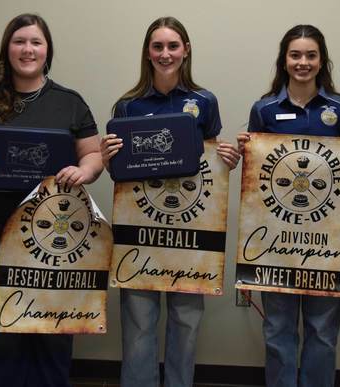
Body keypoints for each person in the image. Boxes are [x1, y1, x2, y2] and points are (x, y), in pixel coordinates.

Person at [0, 13, 102, 387]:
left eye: (35, 42)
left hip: (54, 230)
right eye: (19, 41)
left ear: (47, 50)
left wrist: (84, 172)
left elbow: (94, 157)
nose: (27, 49)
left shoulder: (70, 102)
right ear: (7, 49)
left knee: (52, 316)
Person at [100, 16, 240, 387]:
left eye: (173, 46)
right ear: (148, 53)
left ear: (186, 51)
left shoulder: (204, 101)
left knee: (186, 323)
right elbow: (118, 174)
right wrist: (107, 156)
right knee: (139, 326)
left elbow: (210, 163)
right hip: (141, 233)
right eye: (158, 46)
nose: (166, 54)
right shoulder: (127, 106)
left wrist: (227, 158)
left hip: (190, 235)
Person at [237, 25, 340, 387]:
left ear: (321, 61)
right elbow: (255, 180)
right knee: (278, 332)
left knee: (323, 334)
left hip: (326, 243)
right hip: (276, 243)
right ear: (284, 60)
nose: (303, 62)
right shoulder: (263, 108)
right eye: (295, 55)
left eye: (311, 55)